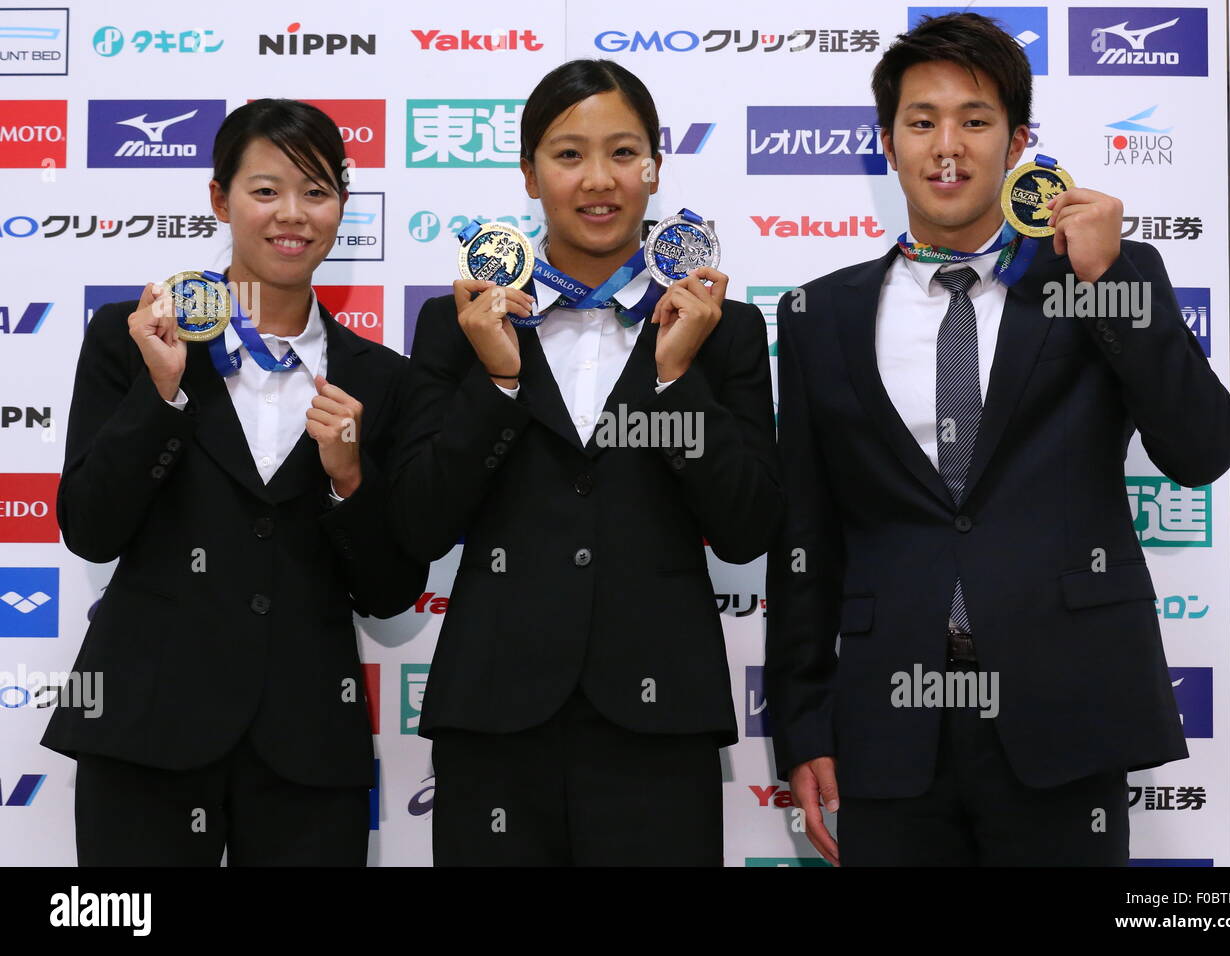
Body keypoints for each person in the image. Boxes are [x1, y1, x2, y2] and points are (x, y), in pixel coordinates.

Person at [765, 12, 1230, 866]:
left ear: (1019, 141)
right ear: (888, 141)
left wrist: (1109, 279)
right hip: (888, 723)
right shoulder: (817, 314)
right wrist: (803, 725)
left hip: (1063, 711)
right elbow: (806, 537)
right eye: (922, 121)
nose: (948, 145)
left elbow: (1201, 449)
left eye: (976, 120)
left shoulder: (1096, 277)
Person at [392, 58, 781, 866]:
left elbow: (747, 529)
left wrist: (676, 379)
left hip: (659, 718)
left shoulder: (724, 329)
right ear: (529, 174)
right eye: (568, 154)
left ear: (655, 168)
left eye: (623, 152)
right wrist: (497, 379)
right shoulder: (456, 323)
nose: (598, 179)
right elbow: (418, 523)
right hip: (493, 715)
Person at [42, 99, 427, 866]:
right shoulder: (137, 336)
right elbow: (90, 526)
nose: (293, 215)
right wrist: (161, 396)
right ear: (220, 200)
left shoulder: (381, 381)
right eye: (265, 190)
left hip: (308, 745)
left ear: (342, 207)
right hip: (146, 726)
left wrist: (349, 478)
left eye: (317, 192)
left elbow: (390, 591)